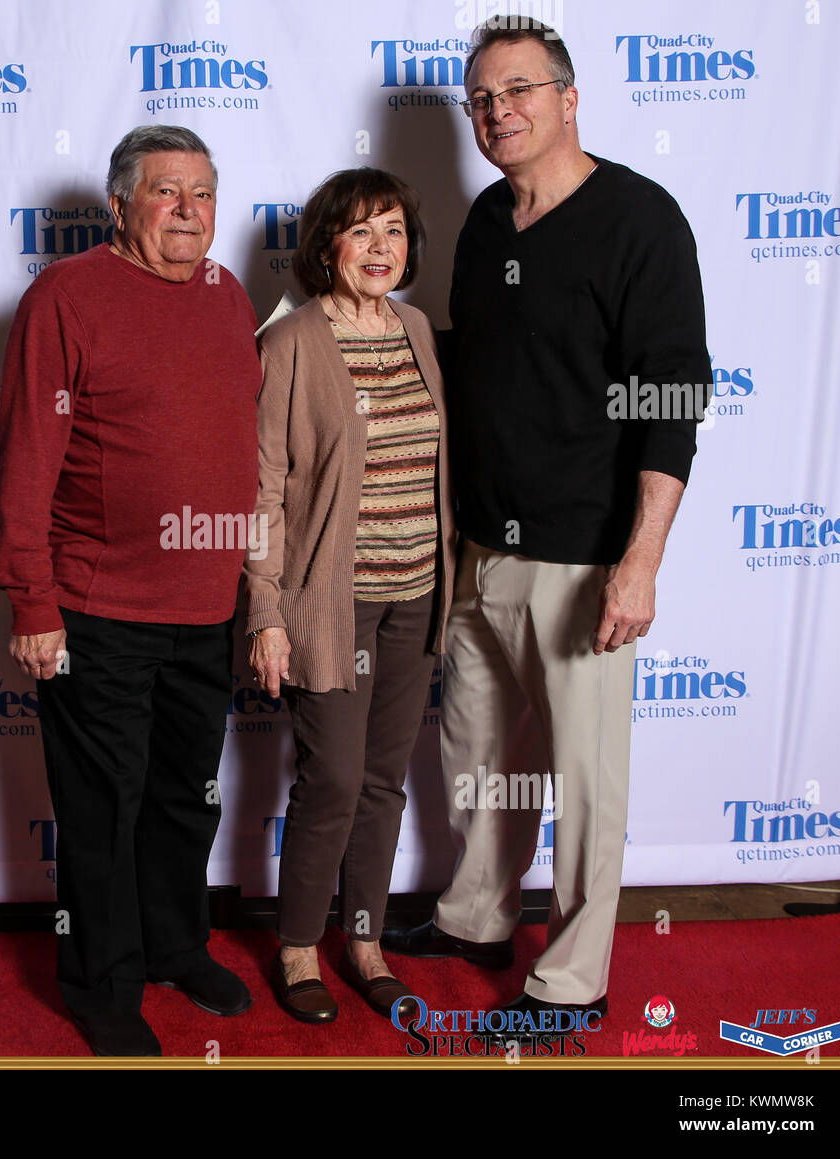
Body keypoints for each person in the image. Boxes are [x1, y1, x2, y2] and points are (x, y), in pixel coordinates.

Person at [381, 19, 710, 1020]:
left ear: (569, 98)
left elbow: (671, 397)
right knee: (478, 760)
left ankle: (571, 981)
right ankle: (475, 913)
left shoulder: (639, 220)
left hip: (585, 555)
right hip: (480, 546)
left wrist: (640, 559)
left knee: (583, 780)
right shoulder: (485, 223)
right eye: (480, 98)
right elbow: (482, 361)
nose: (497, 112)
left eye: (518, 90)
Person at [0, 125, 261, 1056]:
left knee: (187, 797)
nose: (189, 211)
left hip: (205, 605)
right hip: (97, 610)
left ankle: (175, 946)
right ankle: (102, 986)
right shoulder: (65, 297)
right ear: (118, 205)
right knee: (103, 809)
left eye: (203, 193)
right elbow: (26, 459)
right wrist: (32, 599)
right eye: (165, 192)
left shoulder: (230, 298)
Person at [246, 168, 456, 1023]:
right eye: (362, 231)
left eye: (395, 231)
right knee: (331, 779)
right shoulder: (291, 341)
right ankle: (299, 945)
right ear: (327, 244)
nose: (381, 248)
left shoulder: (413, 328)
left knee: (382, 780)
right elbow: (261, 488)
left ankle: (363, 941)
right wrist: (264, 612)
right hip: (330, 603)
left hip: (416, 597)